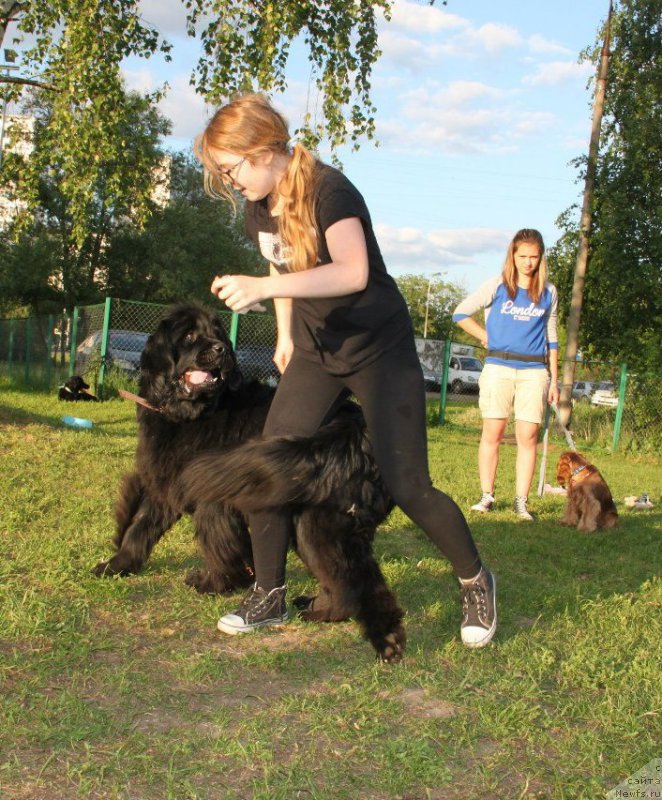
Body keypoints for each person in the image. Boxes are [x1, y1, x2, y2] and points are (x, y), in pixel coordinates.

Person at [194, 92, 496, 648]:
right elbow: (279, 264)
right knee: (267, 467)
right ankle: (269, 594)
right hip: (317, 352)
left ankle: (476, 581)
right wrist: (286, 333)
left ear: (262, 151)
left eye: (231, 169)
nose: (229, 182)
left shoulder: (330, 190)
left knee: (408, 484)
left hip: (380, 352)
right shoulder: (259, 205)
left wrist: (263, 290)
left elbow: (352, 272)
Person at [452, 228, 559, 521]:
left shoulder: (549, 291)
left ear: (541, 257)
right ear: (512, 255)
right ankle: (487, 495)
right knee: (493, 432)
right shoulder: (497, 285)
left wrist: (554, 380)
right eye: (522, 256)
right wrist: (484, 336)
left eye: (533, 257)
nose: (528, 262)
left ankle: (521, 501)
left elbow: (551, 337)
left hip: (534, 371)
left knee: (528, 436)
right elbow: (460, 313)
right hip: (498, 367)